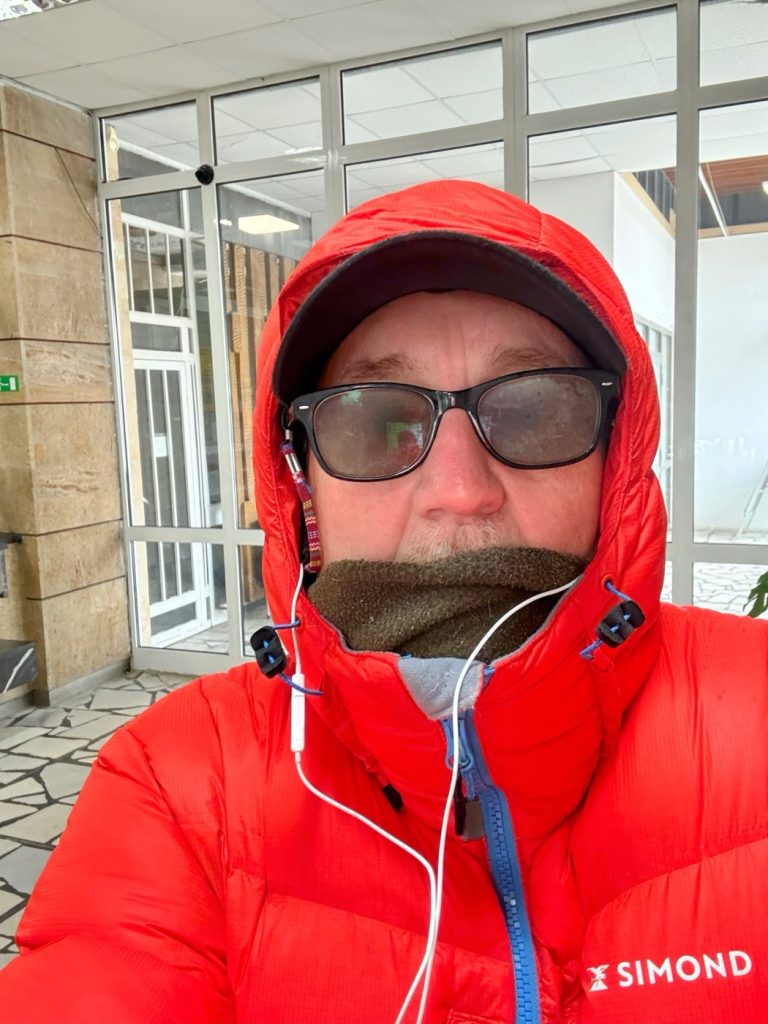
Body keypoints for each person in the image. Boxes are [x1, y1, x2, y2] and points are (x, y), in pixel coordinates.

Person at [1, 179, 766, 1024]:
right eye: (379, 426)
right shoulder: (180, 784)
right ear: (302, 481)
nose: (460, 492)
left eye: (535, 413)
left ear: (614, 456)